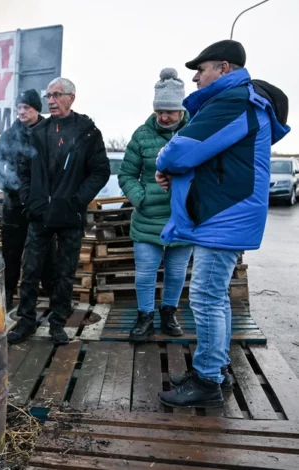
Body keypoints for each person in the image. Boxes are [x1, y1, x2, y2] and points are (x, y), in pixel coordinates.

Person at [155, 40, 290, 408]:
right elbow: (213, 161)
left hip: (223, 216)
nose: (196, 77)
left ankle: (208, 380)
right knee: (216, 296)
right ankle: (217, 367)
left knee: (206, 297)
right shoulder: (239, 100)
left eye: (202, 69)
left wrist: (166, 164)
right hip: (224, 214)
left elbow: (183, 149)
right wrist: (178, 176)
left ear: (224, 68)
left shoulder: (235, 100)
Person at [9, 78, 111, 345]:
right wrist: (30, 200)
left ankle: (58, 322)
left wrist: (78, 200)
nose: (51, 100)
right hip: (39, 213)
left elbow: (100, 171)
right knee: (30, 268)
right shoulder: (38, 132)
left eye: (57, 95)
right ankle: (26, 321)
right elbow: (23, 170)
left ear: (71, 97)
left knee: (65, 271)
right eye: (48, 95)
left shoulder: (87, 131)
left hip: (70, 214)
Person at [118, 68, 192, 341]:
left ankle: (168, 313)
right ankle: (144, 317)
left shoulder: (196, 131)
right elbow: (126, 174)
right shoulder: (141, 135)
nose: (164, 116)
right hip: (148, 217)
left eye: (170, 111)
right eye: (160, 110)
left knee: (175, 272)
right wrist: (142, 198)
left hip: (183, 218)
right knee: (146, 272)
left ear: (181, 109)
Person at [0, 89, 56, 313]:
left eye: (26, 107)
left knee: (47, 252)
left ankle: (52, 295)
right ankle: (7, 296)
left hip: (42, 204)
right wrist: (7, 186)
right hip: (15, 204)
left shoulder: (50, 132)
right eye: (19, 107)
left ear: (37, 108)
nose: (22, 112)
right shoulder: (10, 134)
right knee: (11, 252)